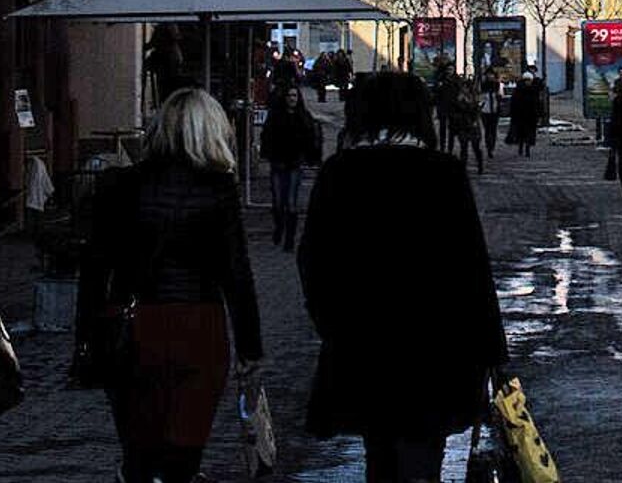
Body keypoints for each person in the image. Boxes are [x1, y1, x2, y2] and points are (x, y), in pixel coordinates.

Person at [300, 71, 507, 481]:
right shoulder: (443, 173)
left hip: (362, 344)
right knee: (423, 458)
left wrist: (332, 323)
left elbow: (313, 259)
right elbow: (471, 268)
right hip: (434, 347)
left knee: (378, 453)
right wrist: (492, 350)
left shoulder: (340, 172)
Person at [75, 89, 263, 483]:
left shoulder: (120, 184)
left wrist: (86, 341)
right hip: (200, 327)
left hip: (133, 324)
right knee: (184, 451)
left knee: (139, 449)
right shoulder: (219, 189)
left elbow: (94, 268)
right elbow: (237, 274)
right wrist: (250, 349)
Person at [258, 73, 323, 250]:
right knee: (278, 202)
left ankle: (289, 239)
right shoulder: (276, 116)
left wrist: (310, 157)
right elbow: (267, 136)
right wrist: (268, 154)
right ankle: (280, 227)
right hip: (278, 162)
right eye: (289, 95)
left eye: (294, 95)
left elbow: (311, 138)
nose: (292, 99)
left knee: (291, 202)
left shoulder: (303, 117)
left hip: (294, 163)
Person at [449, 74, 486, 176]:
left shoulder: (474, 99)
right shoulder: (458, 98)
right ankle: (463, 167)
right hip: (463, 125)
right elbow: (455, 111)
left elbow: (476, 111)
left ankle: (480, 166)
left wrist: (470, 105)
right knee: (463, 148)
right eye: (463, 87)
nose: (464, 89)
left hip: (473, 126)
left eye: (466, 87)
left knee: (476, 148)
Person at [506, 67, 545, 158]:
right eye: (526, 80)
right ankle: (521, 147)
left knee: (529, 133)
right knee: (522, 133)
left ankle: (527, 148)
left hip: (531, 116)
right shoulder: (519, 90)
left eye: (529, 80)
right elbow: (514, 103)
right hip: (521, 116)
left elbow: (538, 103)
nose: (528, 82)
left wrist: (539, 113)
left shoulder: (534, 90)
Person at [479, 66, 503, 159]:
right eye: (488, 74)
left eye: (491, 74)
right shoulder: (483, 85)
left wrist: (498, 97)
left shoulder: (497, 85)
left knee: (493, 130)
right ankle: (488, 147)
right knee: (487, 130)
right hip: (485, 111)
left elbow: (501, 96)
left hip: (494, 110)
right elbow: (480, 97)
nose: (490, 76)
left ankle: (491, 146)